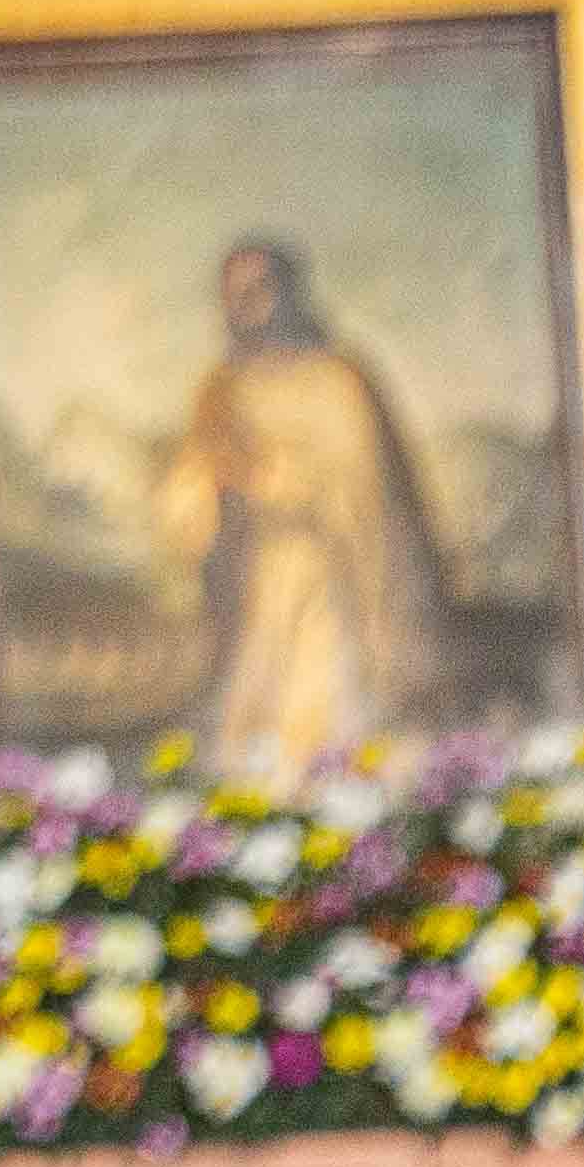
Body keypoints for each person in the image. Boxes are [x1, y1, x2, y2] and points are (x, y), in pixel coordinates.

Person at [145, 235, 458, 780]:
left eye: (257, 290)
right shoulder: (221, 388)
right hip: (254, 580)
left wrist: (265, 478)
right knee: (253, 723)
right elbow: (188, 487)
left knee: (326, 707)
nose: (245, 305)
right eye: (233, 293)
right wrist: (206, 484)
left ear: (288, 293)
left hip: (330, 574)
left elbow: (359, 488)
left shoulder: (337, 381)